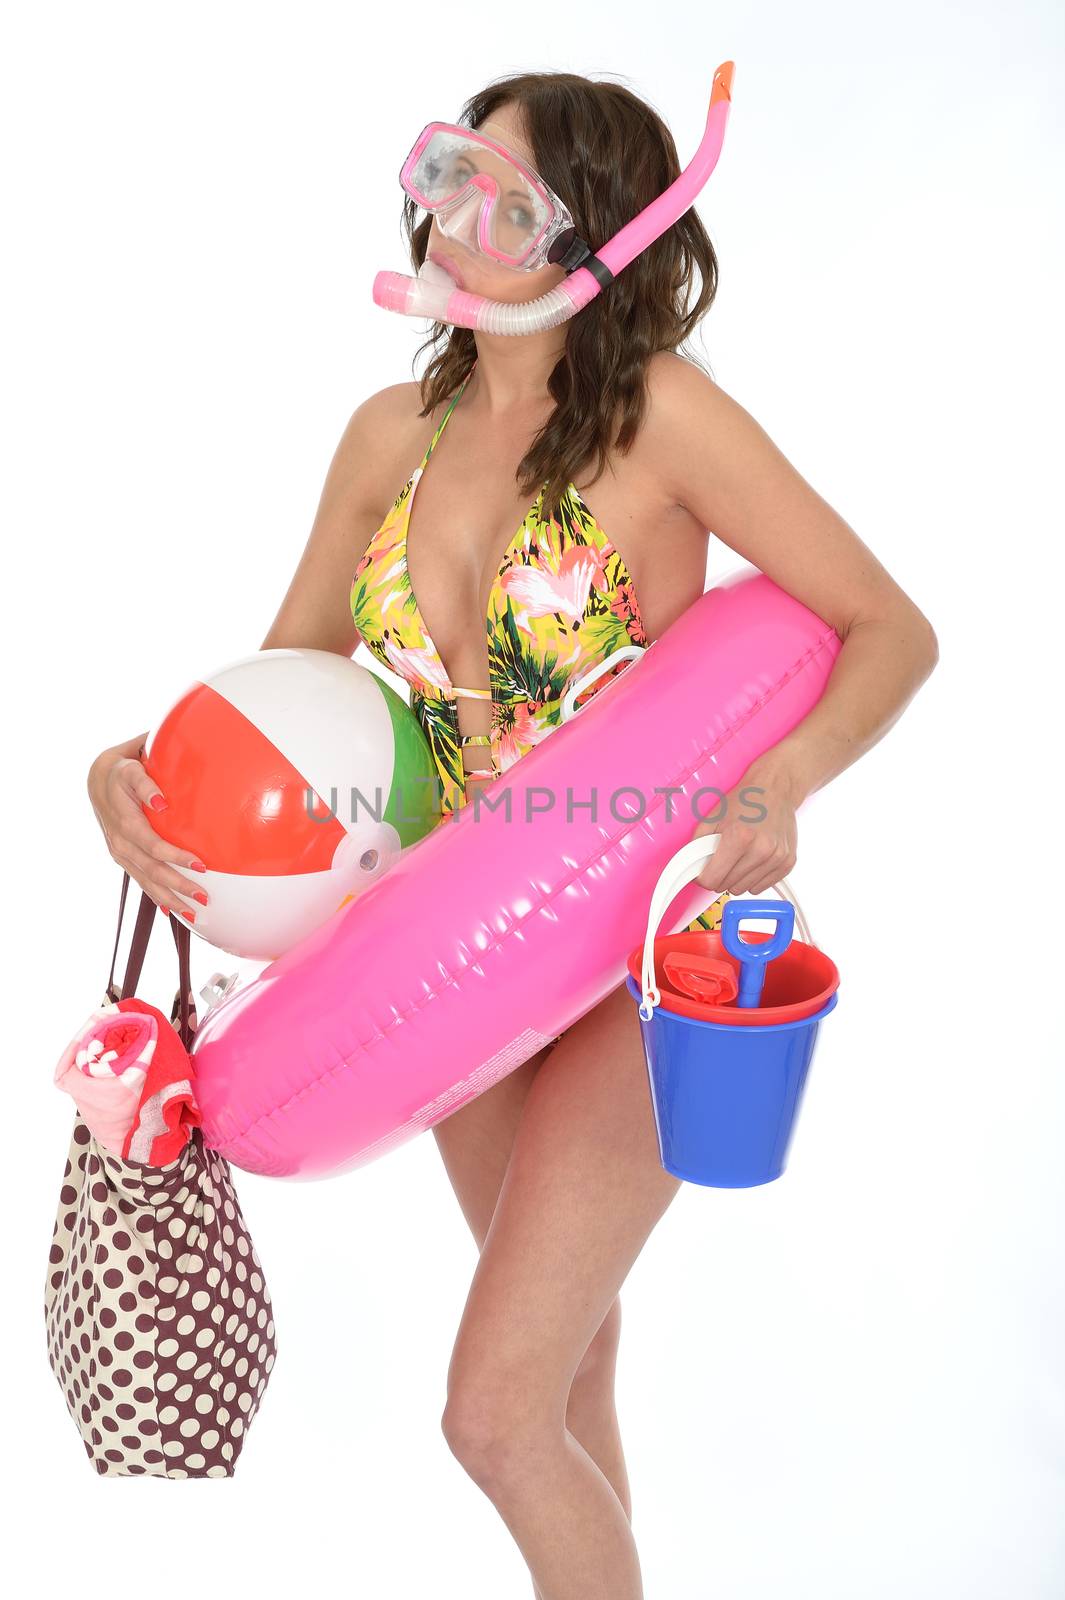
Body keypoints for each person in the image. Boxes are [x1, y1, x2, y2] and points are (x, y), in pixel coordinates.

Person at [87, 68, 938, 1600]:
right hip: (447, 954)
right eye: (446, 171)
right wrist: (122, 770)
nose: (451, 218)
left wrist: (785, 778)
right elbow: (280, 689)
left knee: (490, 1412)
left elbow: (888, 624)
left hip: (636, 961)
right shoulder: (382, 439)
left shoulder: (663, 416)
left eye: (508, 201)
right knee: (565, 1378)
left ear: (598, 240)